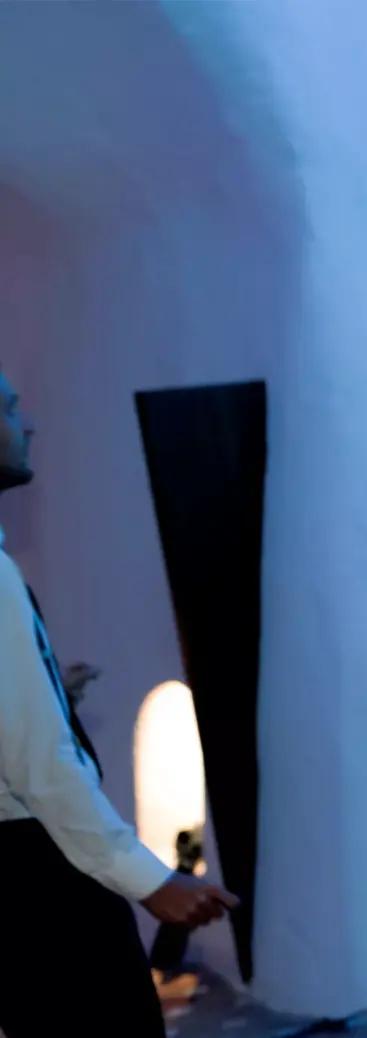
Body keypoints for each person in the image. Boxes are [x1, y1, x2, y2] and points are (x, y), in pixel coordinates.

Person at [0, 367, 238, 1037]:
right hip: (39, 872)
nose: (28, 426)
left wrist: (48, 695)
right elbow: (43, 770)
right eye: (11, 410)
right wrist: (150, 879)